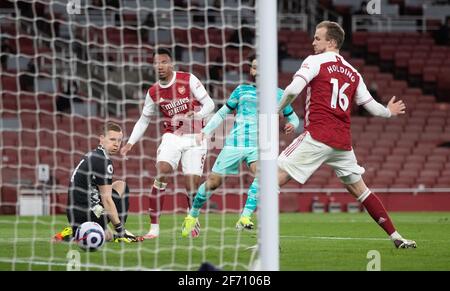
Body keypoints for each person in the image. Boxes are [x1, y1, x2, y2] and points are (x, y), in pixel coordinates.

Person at [277, 21, 416, 249]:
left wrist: (275, 111)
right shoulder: (353, 72)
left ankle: (267, 243)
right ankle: (396, 237)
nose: (313, 42)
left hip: (317, 136)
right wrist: (389, 112)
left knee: (270, 179)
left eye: (317, 38)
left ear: (331, 42)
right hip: (342, 144)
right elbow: (372, 107)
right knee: (361, 190)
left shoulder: (314, 61)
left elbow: (292, 90)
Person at [181, 56, 300, 237]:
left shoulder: (279, 94)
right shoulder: (241, 90)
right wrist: (206, 131)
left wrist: (293, 124)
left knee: (264, 176)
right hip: (235, 144)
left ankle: (244, 217)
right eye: (254, 67)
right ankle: (192, 215)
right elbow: (222, 112)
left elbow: (293, 117)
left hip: (260, 146)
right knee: (213, 183)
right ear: (251, 71)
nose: (257, 70)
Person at [120, 48, 215, 239]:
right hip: (172, 136)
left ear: (171, 63)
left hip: (195, 136)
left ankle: (192, 217)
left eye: (164, 62)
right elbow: (144, 119)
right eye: (156, 63)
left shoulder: (188, 78)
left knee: (192, 185)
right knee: (162, 170)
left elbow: (210, 105)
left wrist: (196, 115)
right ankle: (154, 229)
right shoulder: (153, 91)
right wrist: (130, 142)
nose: (160, 66)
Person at [53, 122, 140, 243]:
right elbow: (107, 200)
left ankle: (76, 230)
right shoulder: (103, 161)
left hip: (74, 213)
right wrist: (119, 228)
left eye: (119, 140)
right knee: (120, 188)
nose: (116, 144)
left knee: (119, 185)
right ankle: (120, 233)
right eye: (112, 139)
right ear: (101, 139)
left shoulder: (93, 155)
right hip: (87, 214)